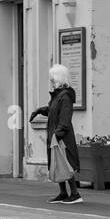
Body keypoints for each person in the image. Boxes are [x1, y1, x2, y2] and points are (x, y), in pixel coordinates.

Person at [31, 64, 82, 204]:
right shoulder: (58, 95)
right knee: (56, 163)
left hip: (61, 135)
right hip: (54, 133)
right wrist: (41, 110)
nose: (51, 81)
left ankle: (75, 194)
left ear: (59, 78)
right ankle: (63, 193)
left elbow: (65, 117)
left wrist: (58, 133)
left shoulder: (65, 96)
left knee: (64, 163)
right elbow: (54, 111)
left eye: (53, 79)